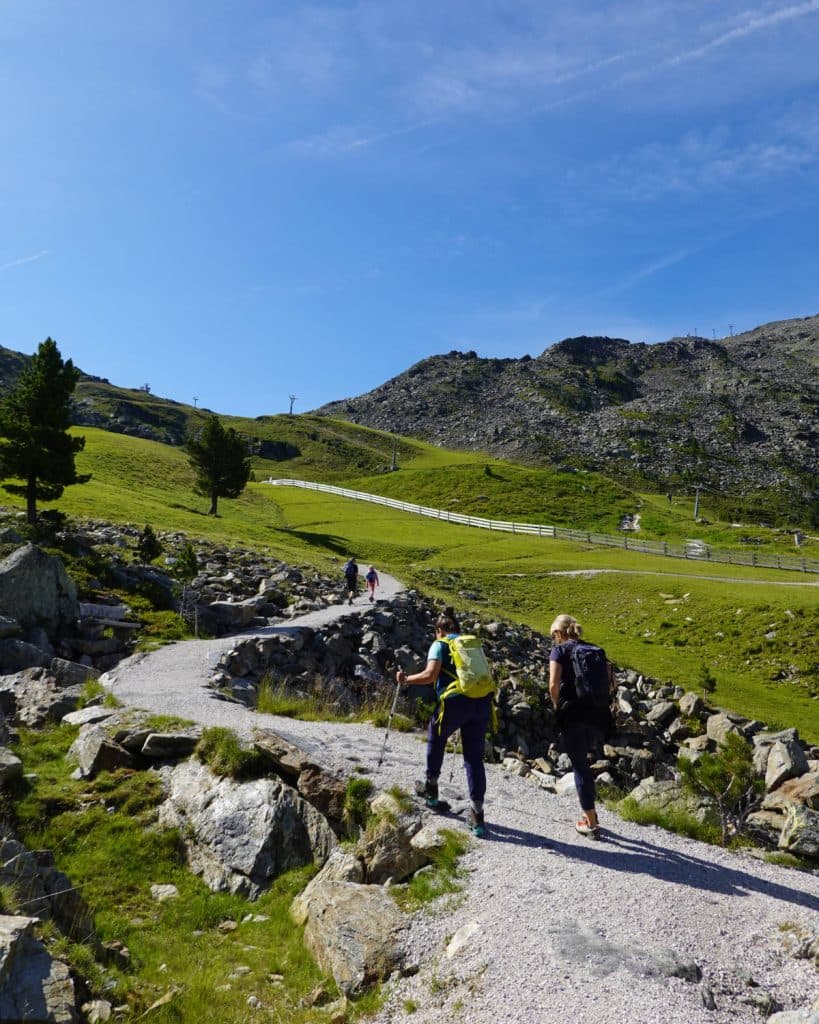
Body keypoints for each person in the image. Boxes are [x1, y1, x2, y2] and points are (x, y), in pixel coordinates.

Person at [396, 607, 492, 838]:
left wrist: (406, 679)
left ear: (439, 630)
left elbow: (430, 675)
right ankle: (477, 815)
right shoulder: (471, 645)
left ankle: (431, 789)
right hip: (481, 702)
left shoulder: (440, 644)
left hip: (454, 702)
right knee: (473, 758)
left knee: (436, 737)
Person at [549, 613, 614, 841]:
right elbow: (611, 684)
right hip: (597, 714)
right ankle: (591, 811)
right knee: (585, 764)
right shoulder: (595, 650)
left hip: (573, 713)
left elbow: (553, 684)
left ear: (559, 633)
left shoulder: (559, 651)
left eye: (553, 635)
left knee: (580, 767)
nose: (553, 640)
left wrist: (557, 706)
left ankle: (591, 823)